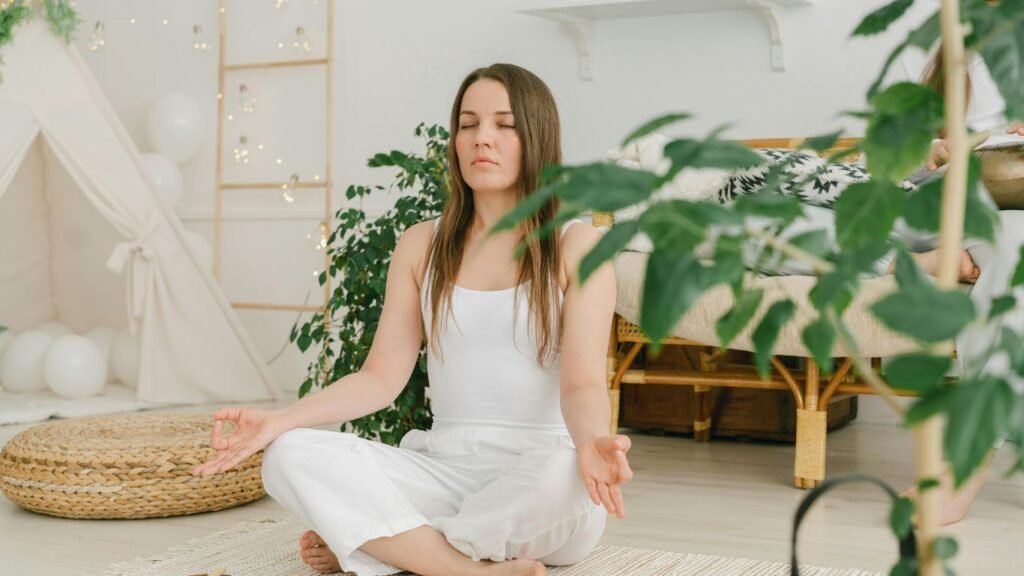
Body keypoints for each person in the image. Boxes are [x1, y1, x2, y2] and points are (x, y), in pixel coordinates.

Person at [190, 63, 632, 576]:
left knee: (565, 478)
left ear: (537, 136)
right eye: (468, 124)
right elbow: (380, 378)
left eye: (503, 124)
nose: (481, 138)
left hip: (537, 479)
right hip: (443, 469)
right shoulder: (423, 245)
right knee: (290, 455)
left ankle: (396, 545)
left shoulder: (577, 247)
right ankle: (461, 567)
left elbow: (581, 385)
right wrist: (278, 421)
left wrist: (590, 443)